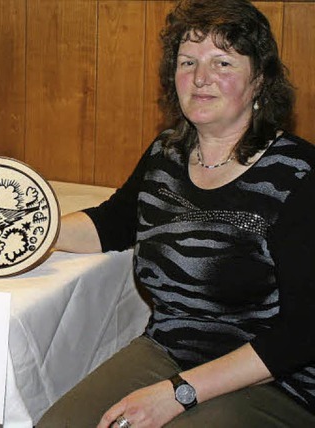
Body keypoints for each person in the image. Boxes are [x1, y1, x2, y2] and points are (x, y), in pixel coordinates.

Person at [37, 0, 315, 427]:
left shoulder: (298, 175)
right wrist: (28, 229)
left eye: (222, 62)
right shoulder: (165, 154)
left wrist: (180, 392)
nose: (201, 78)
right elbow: (113, 223)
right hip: (170, 350)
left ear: (259, 80)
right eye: (188, 62)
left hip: (275, 378)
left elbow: (303, 332)